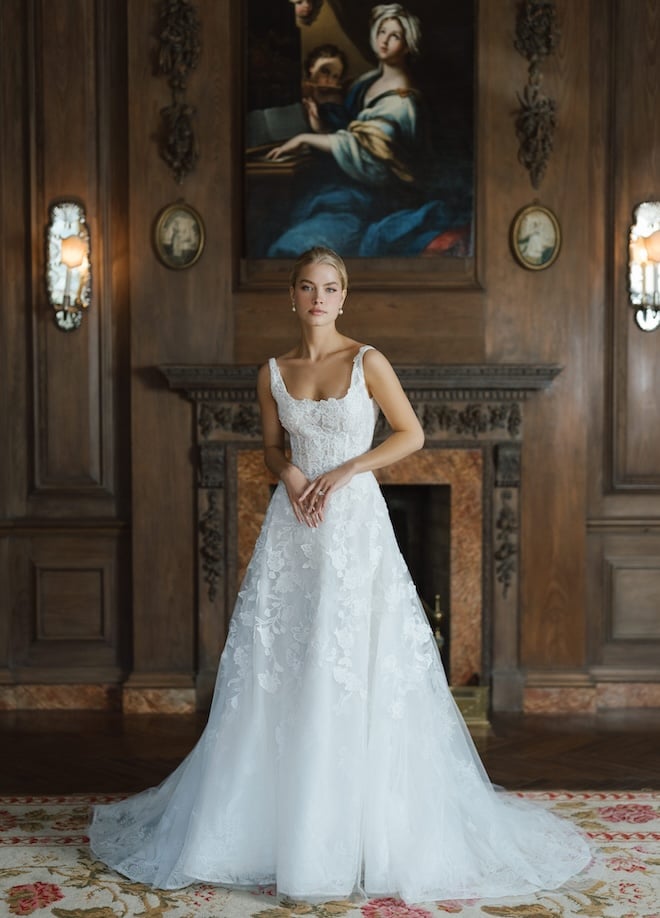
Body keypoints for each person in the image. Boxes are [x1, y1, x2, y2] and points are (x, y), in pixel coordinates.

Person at [89, 247, 591, 904]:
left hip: (355, 526)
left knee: (358, 661)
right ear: (293, 297)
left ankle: (364, 829)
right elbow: (272, 447)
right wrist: (293, 473)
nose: (319, 298)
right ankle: (274, 824)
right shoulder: (272, 371)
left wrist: (348, 468)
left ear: (343, 296)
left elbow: (412, 434)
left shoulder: (367, 361)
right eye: (307, 287)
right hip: (295, 530)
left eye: (330, 288)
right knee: (287, 665)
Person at [260, 4, 469, 258]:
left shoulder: (402, 102)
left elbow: (363, 149)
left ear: (408, 45)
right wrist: (321, 127)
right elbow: (349, 131)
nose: (385, 40)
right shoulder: (368, 81)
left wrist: (306, 137)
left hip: (381, 195)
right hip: (351, 187)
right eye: (382, 31)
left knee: (302, 243)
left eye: (395, 36)